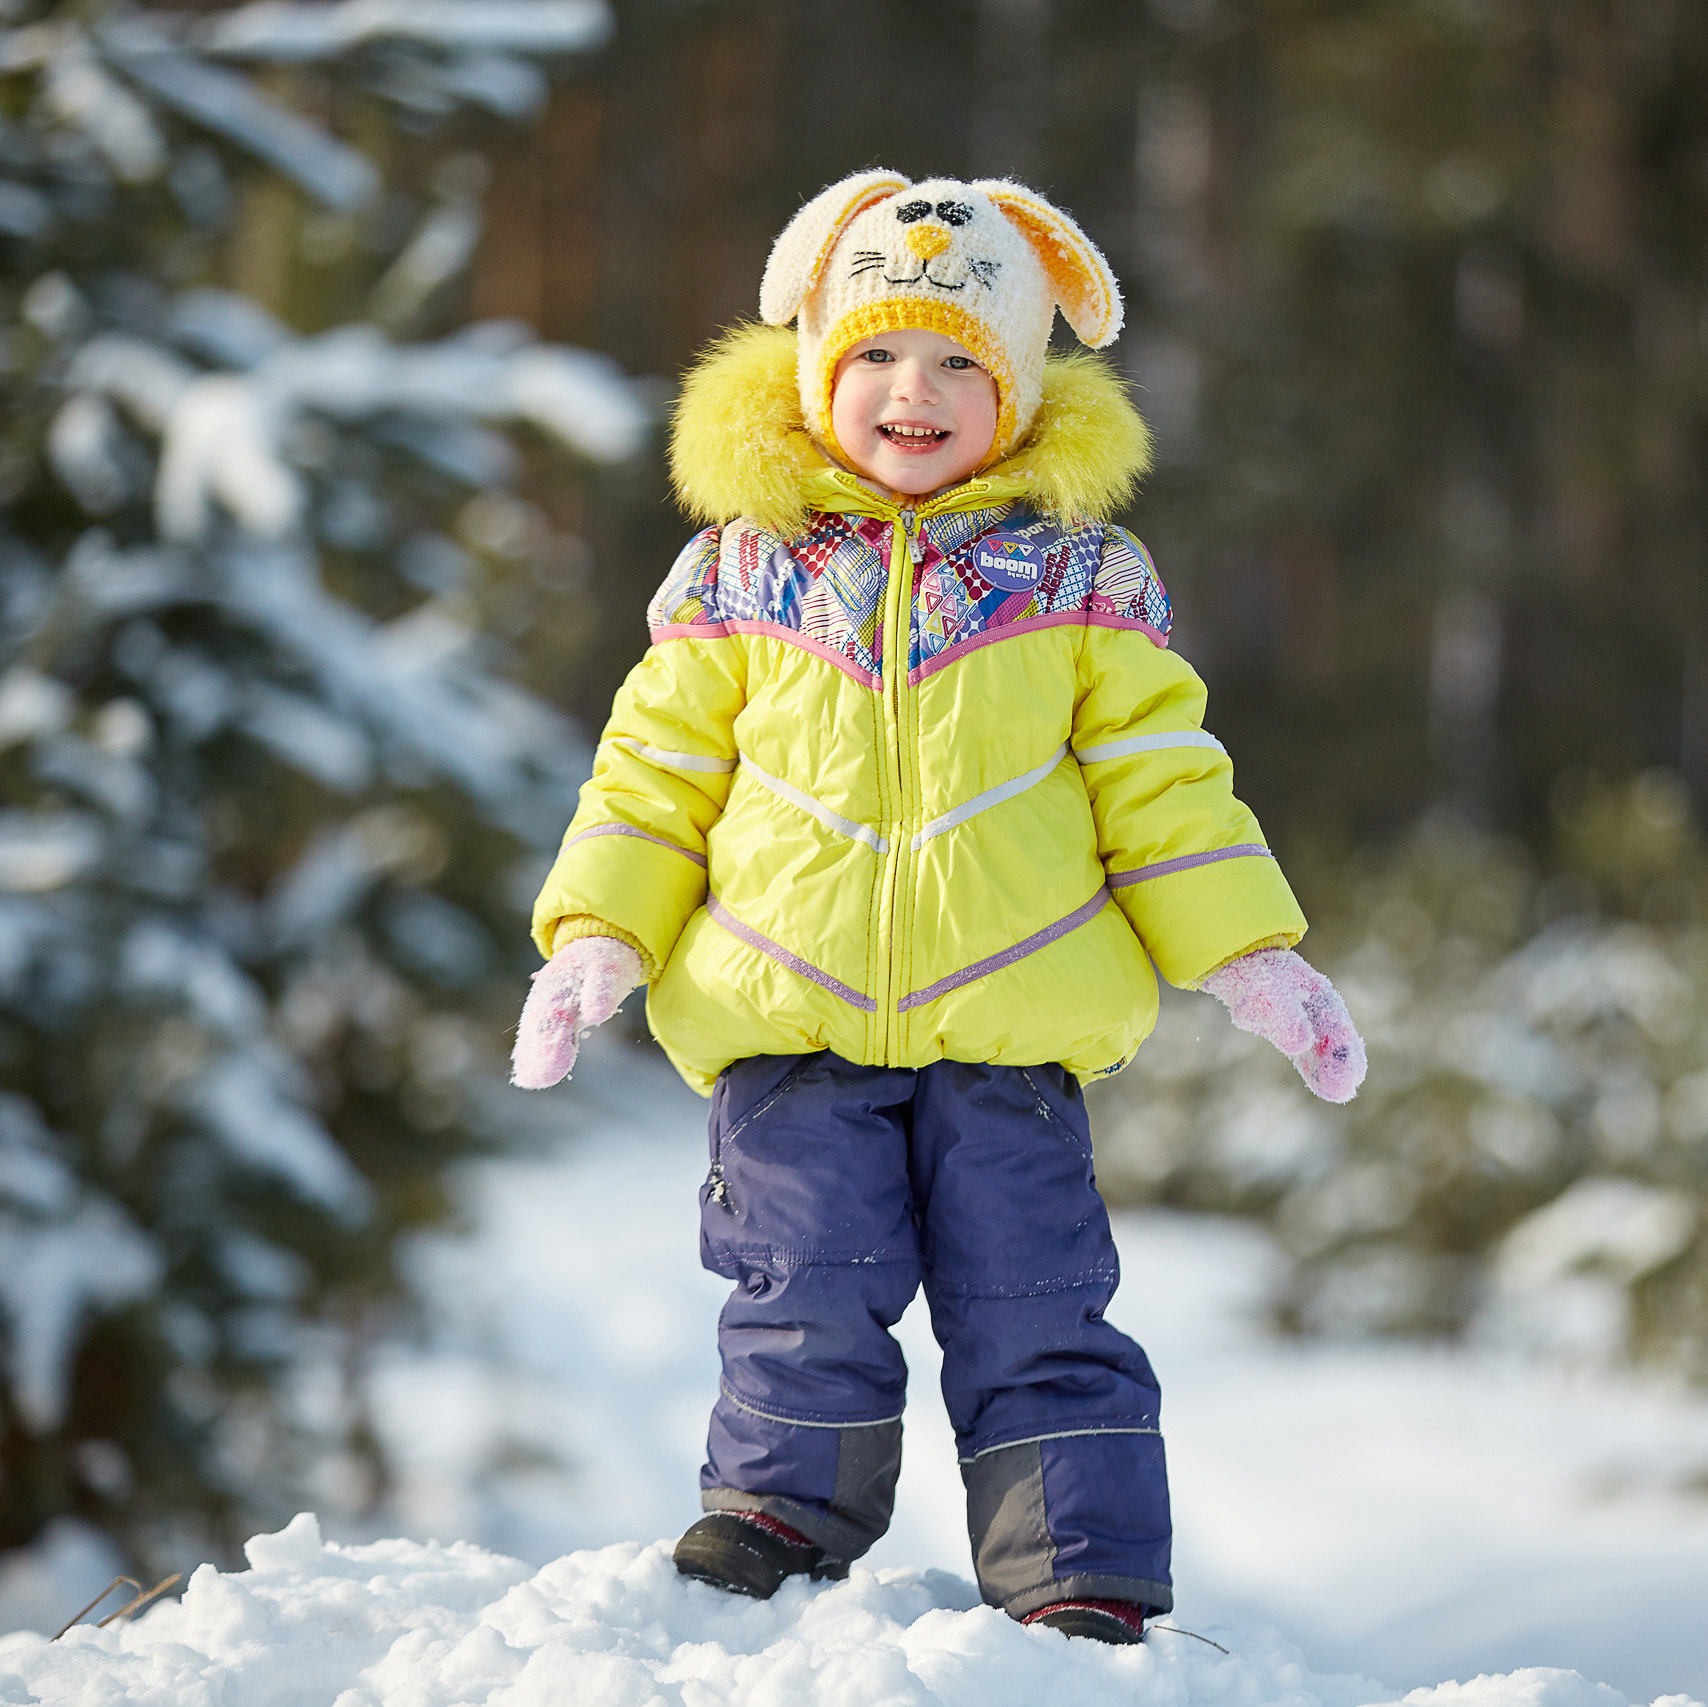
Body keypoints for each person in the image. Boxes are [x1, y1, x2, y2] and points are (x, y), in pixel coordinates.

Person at [509, 170, 1365, 1646]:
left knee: (1036, 1299)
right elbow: (652, 777)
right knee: (802, 1284)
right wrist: (598, 931)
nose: (919, 391)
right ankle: (780, 1510)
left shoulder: (1084, 581)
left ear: (1024, 390)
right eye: (881, 357)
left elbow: (1163, 781)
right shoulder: (742, 574)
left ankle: (1074, 1565)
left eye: (964, 359)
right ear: (819, 370)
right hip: (788, 1016)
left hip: (1011, 1026)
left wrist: (1249, 952)